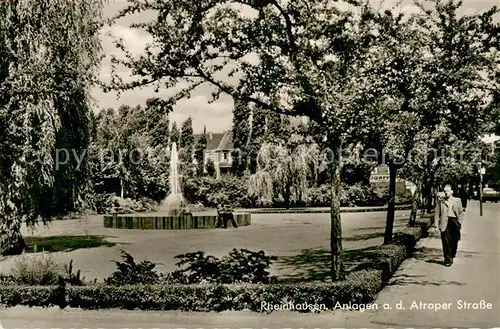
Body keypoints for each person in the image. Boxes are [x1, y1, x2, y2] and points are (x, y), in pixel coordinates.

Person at [434, 184, 465, 267]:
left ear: (452, 191)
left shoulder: (457, 200)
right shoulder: (440, 201)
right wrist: (436, 225)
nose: (446, 192)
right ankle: (447, 260)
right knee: (446, 242)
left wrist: (460, 222)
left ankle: (452, 253)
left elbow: (461, 213)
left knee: (454, 241)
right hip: (444, 223)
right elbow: (437, 214)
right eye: (444, 191)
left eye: (447, 191)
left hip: (454, 222)